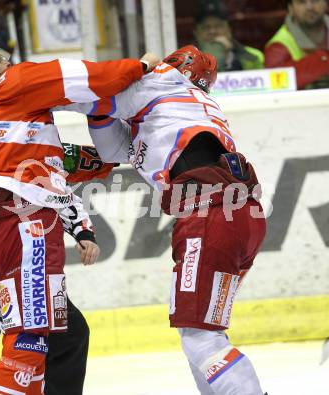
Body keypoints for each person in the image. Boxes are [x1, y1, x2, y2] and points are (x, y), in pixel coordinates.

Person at [0, 43, 159, 394]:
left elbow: (53, 172)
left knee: (35, 343)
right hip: (23, 229)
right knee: (27, 344)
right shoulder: (14, 84)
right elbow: (94, 77)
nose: (7, 62)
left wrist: (81, 224)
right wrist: (143, 66)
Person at [61, 45, 268, 395]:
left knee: (202, 338)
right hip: (239, 214)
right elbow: (114, 149)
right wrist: (101, 114)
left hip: (209, 216)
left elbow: (91, 95)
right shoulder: (188, 109)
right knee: (202, 332)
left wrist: (18, 96)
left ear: (177, 66)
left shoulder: (164, 82)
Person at [0, 144, 115, 395]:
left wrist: (83, 232)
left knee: (69, 333)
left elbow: (57, 191)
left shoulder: (32, 146)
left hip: (23, 252)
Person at [265, 0, 329, 89]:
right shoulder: (278, 46)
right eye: (302, 2)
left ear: (326, 4)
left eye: (315, 1)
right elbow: (276, 88)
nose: (309, 7)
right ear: (290, 8)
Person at [194, 0, 264, 72]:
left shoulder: (253, 57)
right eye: (205, 27)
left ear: (229, 30)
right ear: (196, 33)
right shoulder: (186, 61)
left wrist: (231, 57)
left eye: (218, 25)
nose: (212, 31)